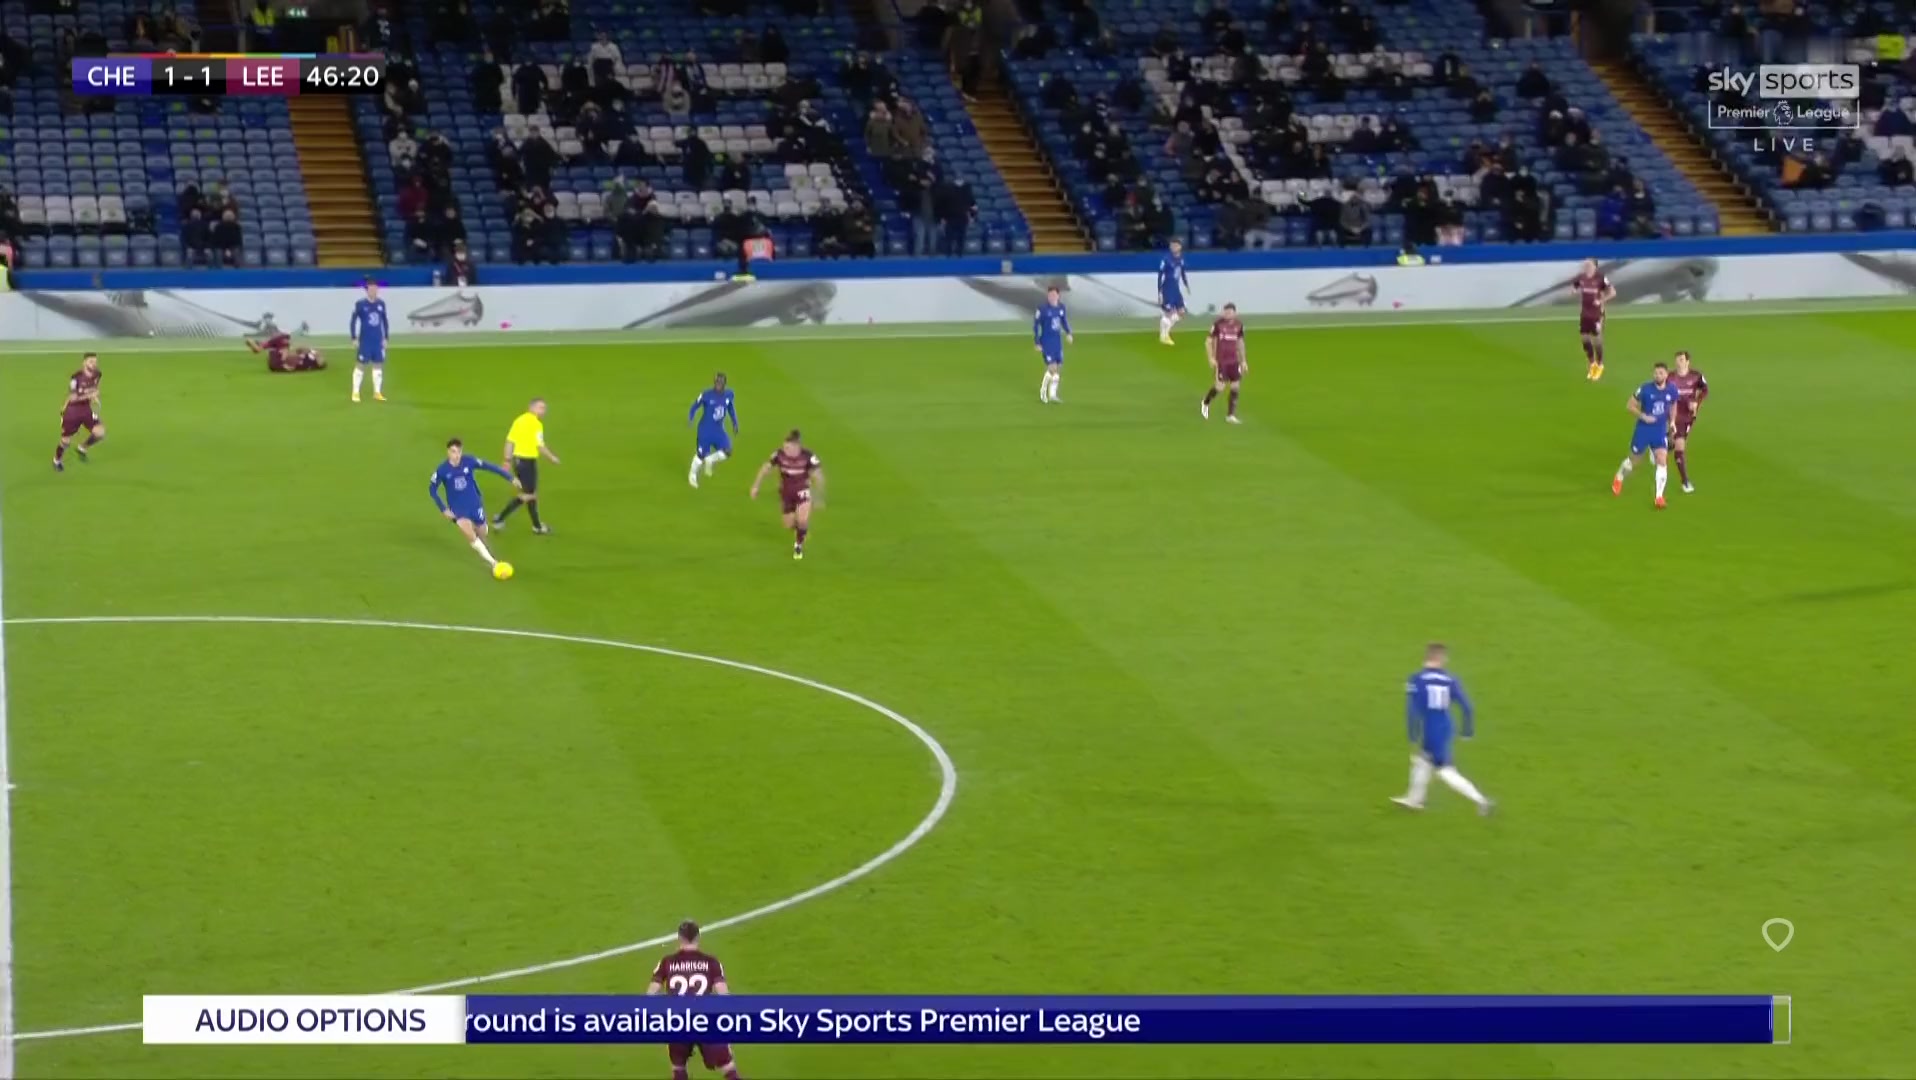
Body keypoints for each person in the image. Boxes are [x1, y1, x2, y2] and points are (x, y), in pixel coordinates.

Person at [1391, 643, 1493, 814]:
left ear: (1427, 656)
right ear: (1442, 659)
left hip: (1431, 729)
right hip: (1445, 726)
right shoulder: (1451, 680)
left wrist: (1412, 733)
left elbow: (1412, 710)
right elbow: (1467, 707)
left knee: (1445, 770)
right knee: (1422, 762)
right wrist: (1467, 731)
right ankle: (1413, 800)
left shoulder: (1416, 679)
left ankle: (1481, 800)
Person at [645, 921, 740, 1080]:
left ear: (679, 938)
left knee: (678, 1069)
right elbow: (724, 997)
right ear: (698, 937)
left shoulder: (667, 962)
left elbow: (649, 997)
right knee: (728, 1069)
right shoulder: (711, 962)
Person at [428, 438, 519, 571]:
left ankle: (486, 548)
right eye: (453, 452)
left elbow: (489, 467)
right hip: (458, 509)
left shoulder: (469, 461)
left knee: (482, 533)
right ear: (448, 452)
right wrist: (443, 509)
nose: (456, 455)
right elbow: (432, 489)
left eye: (459, 451)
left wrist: (510, 478)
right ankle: (494, 563)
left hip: (474, 503)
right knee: (471, 535)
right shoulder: (442, 470)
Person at [1613, 361, 1681, 508]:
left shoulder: (1672, 390)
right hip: (1643, 430)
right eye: (1656, 373)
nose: (1658, 375)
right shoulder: (1645, 389)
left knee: (1662, 459)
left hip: (1659, 430)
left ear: (1666, 374)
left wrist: (1672, 422)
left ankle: (1659, 497)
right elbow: (1630, 405)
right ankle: (1619, 477)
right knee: (1634, 461)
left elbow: (1673, 404)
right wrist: (1643, 416)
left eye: (1661, 373)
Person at [749, 430, 824, 560]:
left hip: (802, 491)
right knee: (788, 524)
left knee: (802, 519)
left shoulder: (808, 456)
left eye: (788, 448)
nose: (785, 450)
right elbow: (765, 469)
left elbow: (818, 476)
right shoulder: (779, 455)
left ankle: (798, 546)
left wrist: (818, 496)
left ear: (796, 447)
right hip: (786, 493)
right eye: (784, 447)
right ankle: (801, 531)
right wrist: (756, 486)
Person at [494, 398, 560, 533]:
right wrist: (552, 458)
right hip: (527, 463)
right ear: (532, 407)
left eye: (544, 408)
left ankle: (537, 526)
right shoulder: (536, 424)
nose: (544, 411)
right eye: (541, 407)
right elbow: (540, 446)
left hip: (518, 461)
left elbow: (510, 441)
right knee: (528, 495)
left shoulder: (519, 420)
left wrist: (507, 460)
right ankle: (500, 518)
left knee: (530, 493)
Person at [54, 352, 106, 472]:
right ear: (84, 363)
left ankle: (82, 448)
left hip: (86, 410)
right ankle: (57, 460)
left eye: (95, 362)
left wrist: (95, 397)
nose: (94, 364)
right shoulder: (76, 378)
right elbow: (73, 398)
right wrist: (89, 395)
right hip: (73, 412)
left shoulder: (98, 374)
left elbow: (96, 388)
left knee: (100, 433)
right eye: (91, 361)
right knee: (65, 441)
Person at [1666, 349, 1709, 494]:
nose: (1678, 362)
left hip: (1689, 416)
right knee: (1680, 446)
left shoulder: (1696, 376)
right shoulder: (1670, 377)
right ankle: (1685, 481)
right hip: (1675, 414)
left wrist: (1696, 402)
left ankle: (1663, 444)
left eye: (1681, 360)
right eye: (1677, 360)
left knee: (1676, 440)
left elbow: (1705, 390)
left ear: (1687, 362)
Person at [687, 372, 740, 488]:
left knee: (728, 451)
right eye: (716, 382)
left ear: (724, 384)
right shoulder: (706, 395)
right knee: (700, 456)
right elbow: (695, 406)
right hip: (705, 431)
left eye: (720, 383)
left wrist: (735, 422)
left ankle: (710, 460)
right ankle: (692, 475)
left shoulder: (729, 394)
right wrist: (691, 417)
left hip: (718, 430)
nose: (717, 385)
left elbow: (730, 408)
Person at [1200, 302, 1247, 423]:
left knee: (1235, 386)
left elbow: (1240, 343)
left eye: (1230, 312)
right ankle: (1206, 401)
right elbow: (1208, 342)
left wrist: (1243, 361)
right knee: (1220, 387)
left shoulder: (1239, 325)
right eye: (1225, 312)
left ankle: (1230, 415)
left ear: (1235, 313)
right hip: (1222, 361)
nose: (1227, 314)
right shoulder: (1218, 325)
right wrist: (1211, 358)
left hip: (1234, 361)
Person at [1573, 257, 1615, 381]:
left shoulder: (1601, 278)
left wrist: (1601, 301)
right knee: (1584, 339)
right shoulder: (1581, 277)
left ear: (1595, 266)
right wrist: (1574, 291)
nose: (1586, 267)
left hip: (1597, 314)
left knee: (1596, 339)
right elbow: (1575, 286)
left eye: (1589, 265)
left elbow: (1612, 292)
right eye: (1585, 265)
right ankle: (1592, 364)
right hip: (1584, 313)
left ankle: (1600, 365)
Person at [349, 282, 391, 402]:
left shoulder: (381, 304)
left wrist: (386, 338)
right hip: (365, 340)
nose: (373, 291)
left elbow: (385, 321)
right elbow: (353, 321)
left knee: (378, 365)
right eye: (371, 289)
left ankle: (377, 392)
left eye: (375, 289)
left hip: (377, 340)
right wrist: (354, 337)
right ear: (367, 291)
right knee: (360, 365)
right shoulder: (360, 304)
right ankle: (355, 392)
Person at [1033, 285, 1072, 404]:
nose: (1052, 297)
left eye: (1054, 295)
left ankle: (1052, 394)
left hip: (1057, 342)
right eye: (1050, 295)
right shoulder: (1042, 309)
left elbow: (1064, 321)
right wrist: (1037, 342)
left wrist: (1068, 333)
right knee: (1052, 368)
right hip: (1046, 342)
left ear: (1058, 295)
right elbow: (1036, 326)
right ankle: (1045, 391)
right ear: (1047, 296)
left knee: (1058, 368)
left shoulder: (1061, 308)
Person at [1156, 238, 1189, 345]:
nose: (1174, 247)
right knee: (1169, 313)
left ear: (1180, 247)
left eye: (1176, 245)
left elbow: (1182, 272)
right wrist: (1160, 292)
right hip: (1167, 289)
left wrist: (1186, 284)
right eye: (1172, 246)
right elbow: (1160, 275)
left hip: (1176, 289)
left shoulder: (1181, 259)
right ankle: (1164, 336)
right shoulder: (1166, 259)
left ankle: (1165, 333)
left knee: (1181, 312)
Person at [247, 332, 325, 372]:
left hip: (277, 362)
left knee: (284, 350)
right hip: (278, 362)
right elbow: (298, 350)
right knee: (287, 350)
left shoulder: (309, 362)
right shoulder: (310, 359)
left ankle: (257, 344)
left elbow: (295, 351)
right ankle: (257, 344)